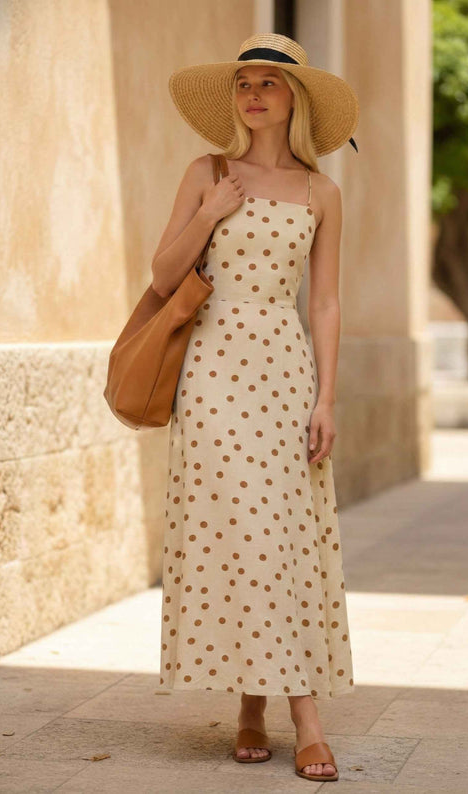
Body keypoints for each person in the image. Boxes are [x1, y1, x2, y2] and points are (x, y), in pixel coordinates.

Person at [151, 32, 359, 783]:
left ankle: (271, 705)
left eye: (268, 83)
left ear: (293, 99)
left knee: (281, 535)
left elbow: (327, 302)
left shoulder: (320, 192)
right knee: (239, 531)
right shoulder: (206, 171)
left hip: (283, 370)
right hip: (210, 369)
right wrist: (209, 212)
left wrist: (326, 396)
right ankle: (275, 711)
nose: (253, 94)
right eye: (243, 82)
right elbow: (164, 269)